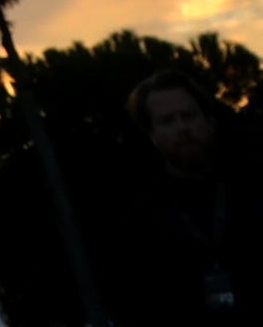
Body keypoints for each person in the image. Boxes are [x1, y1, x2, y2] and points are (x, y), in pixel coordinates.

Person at [112, 70, 262, 324]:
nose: (182, 128)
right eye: (167, 121)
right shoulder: (139, 216)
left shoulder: (252, 185)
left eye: (189, 116)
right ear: (152, 135)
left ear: (208, 120)